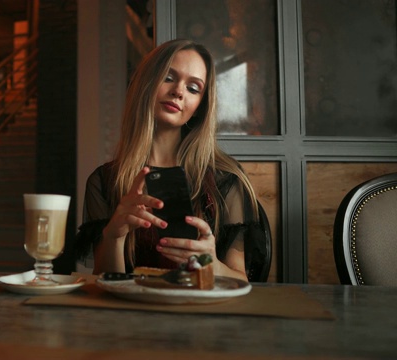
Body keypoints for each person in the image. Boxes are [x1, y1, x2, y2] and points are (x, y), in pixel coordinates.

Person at [75, 39, 267, 282]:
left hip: (201, 315)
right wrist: (114, 236)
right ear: (147, 84)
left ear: (199, 107)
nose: (178, 91)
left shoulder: (226, 180)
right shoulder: (104, 181)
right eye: (168, 77)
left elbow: (240, 281)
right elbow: (106, 282)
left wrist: (211, 264)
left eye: (193, 88)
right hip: (133, 315)